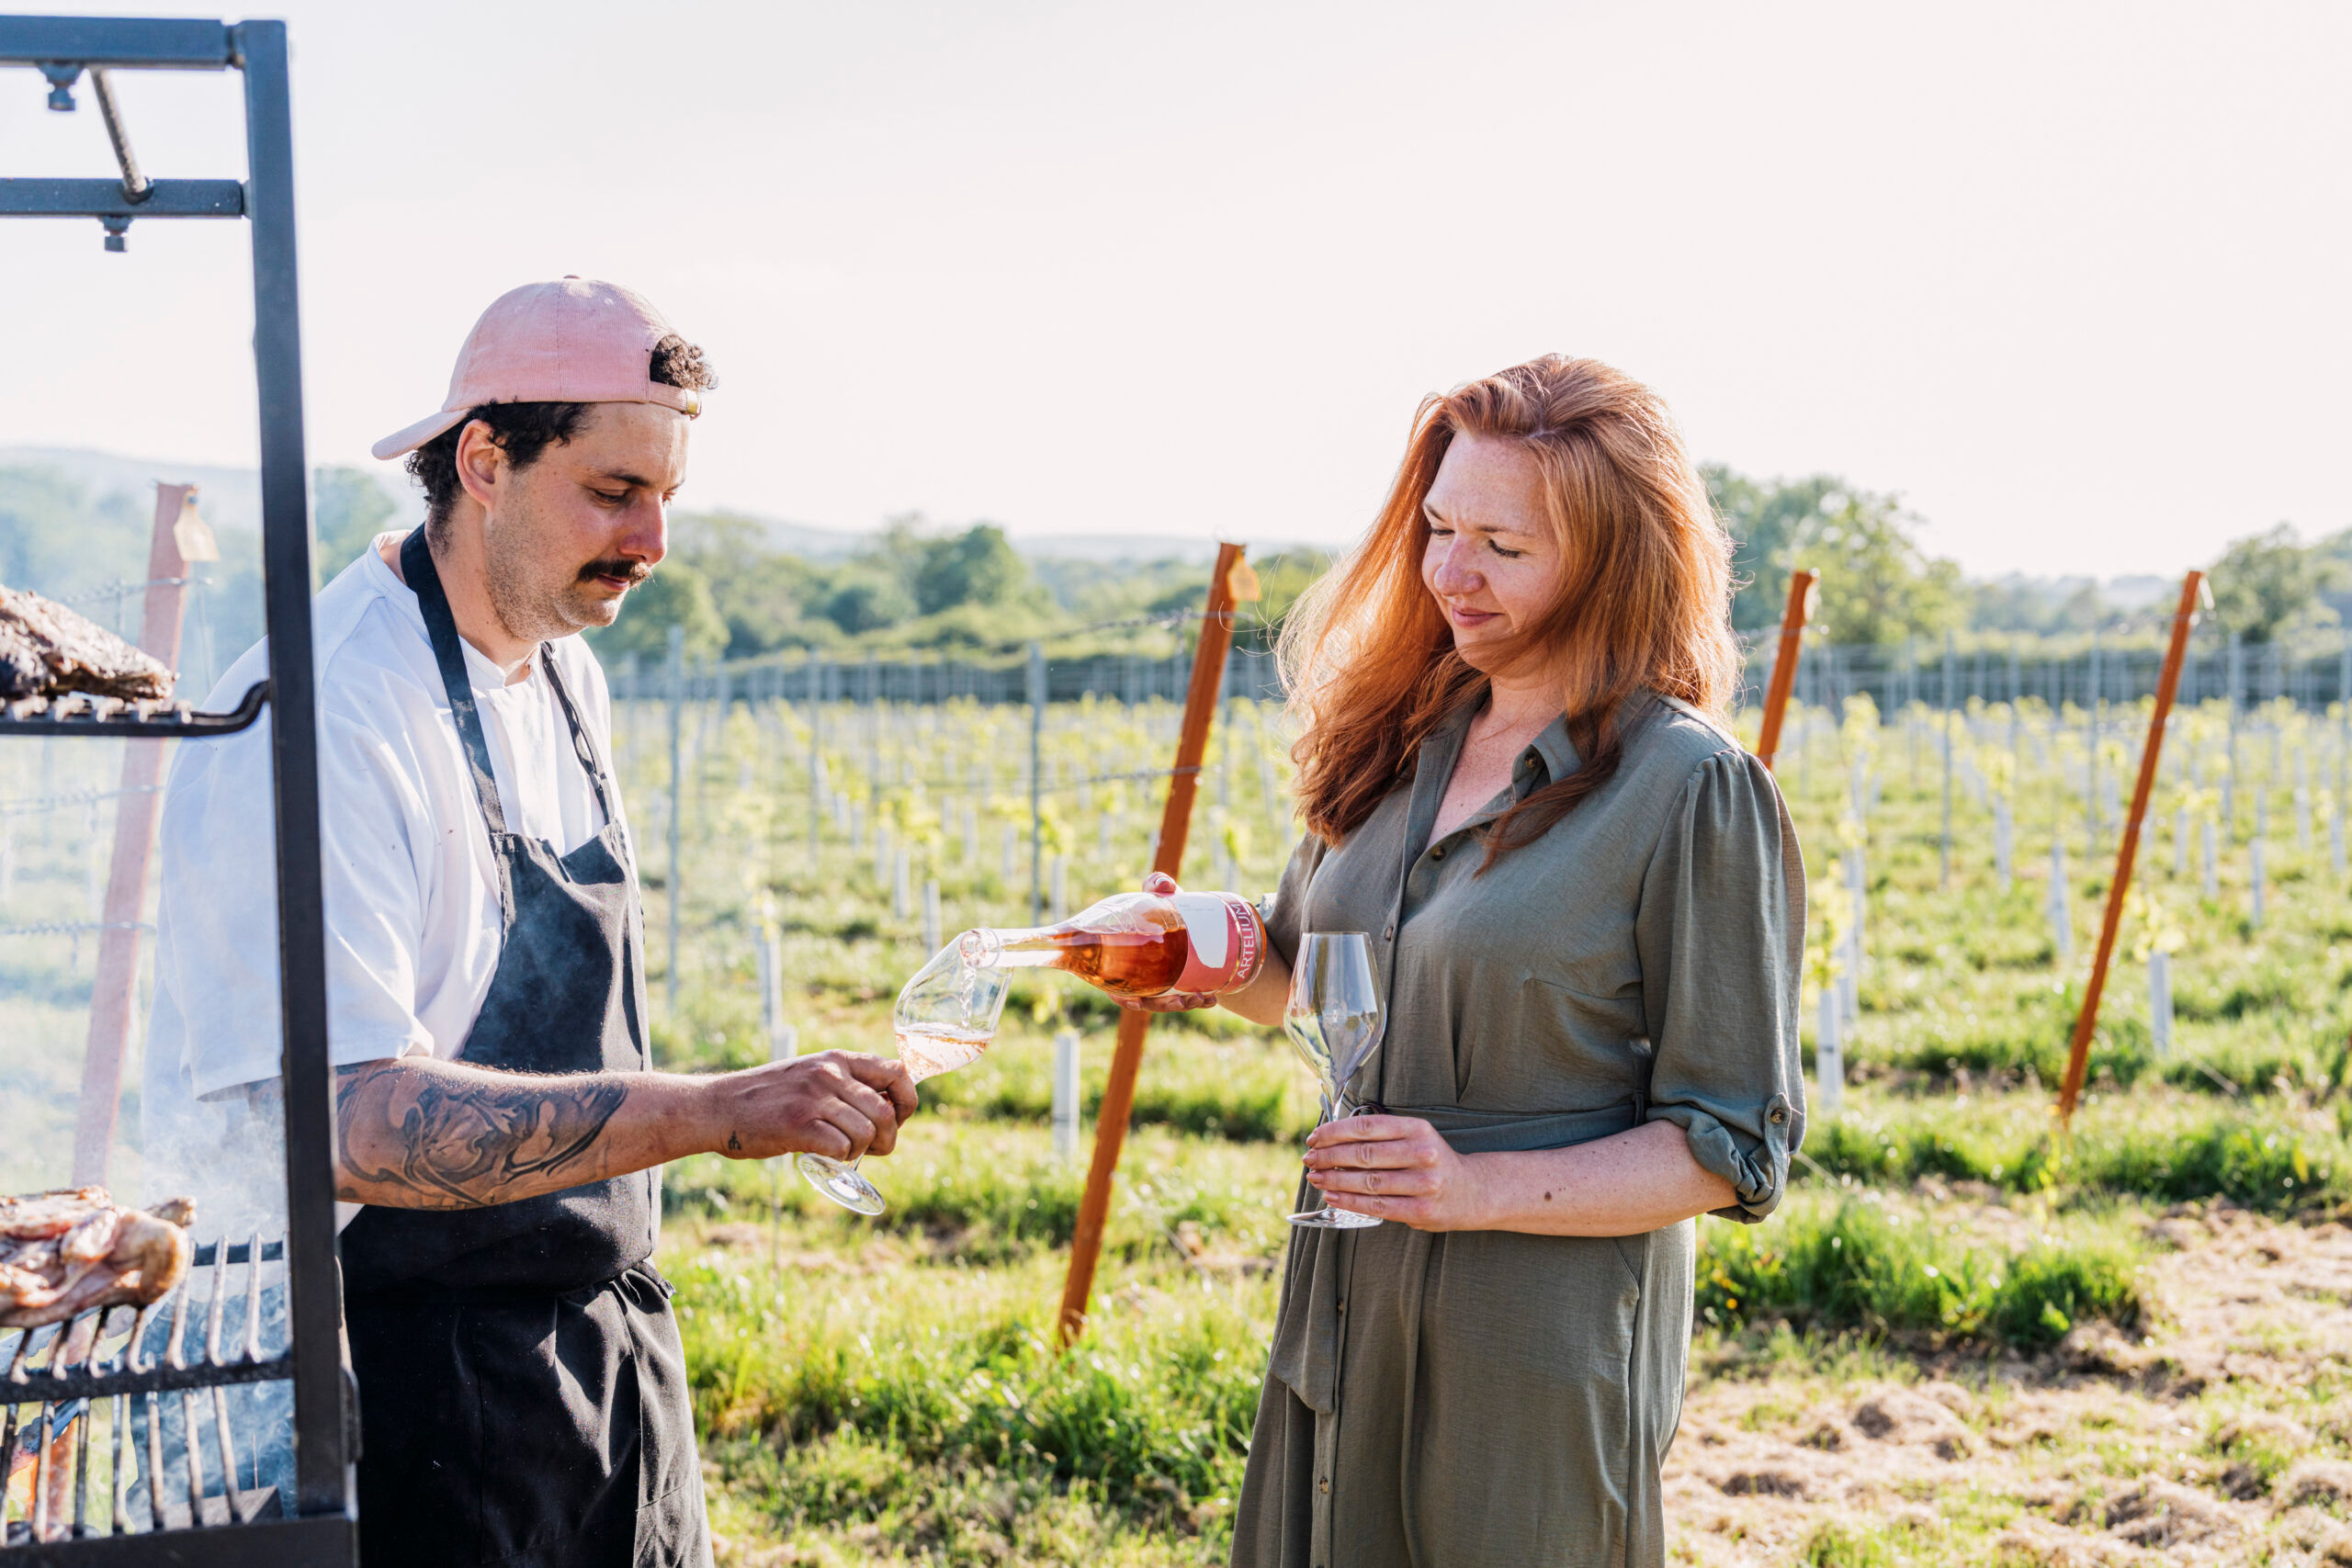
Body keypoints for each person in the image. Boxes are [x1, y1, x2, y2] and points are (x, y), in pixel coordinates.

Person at [142, 277, 917, 1568]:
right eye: (615, 491)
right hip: (411, 1382)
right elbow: (344, 1125)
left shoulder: (565, 667)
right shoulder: (326, 712)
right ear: (487, 461)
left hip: (603, 1349)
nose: (655, 537)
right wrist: (721, 1111)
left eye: (669, 495)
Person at [1202, 355, 1805, 1566]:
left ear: (1613, 562)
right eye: (1436, 527)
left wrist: (1469, 1191)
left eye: (1503, 545)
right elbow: (1314, 988)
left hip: (1530, 1345)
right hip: (1342, 1297)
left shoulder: (1691, 791)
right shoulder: (1400, 741)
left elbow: (1729, 1147)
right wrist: (1210, 959)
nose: (1450, 572)